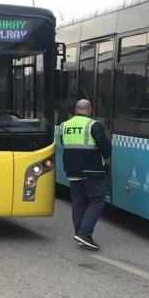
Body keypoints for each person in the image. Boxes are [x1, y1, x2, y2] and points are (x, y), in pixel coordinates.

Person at [59, 99, 112, 250]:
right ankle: (84, 233)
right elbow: (105, 147)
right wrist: (106, 156)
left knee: (78, 203)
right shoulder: (93, 125)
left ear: (76, 109)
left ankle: (80, 234)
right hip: (92, 170)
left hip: (71, 170)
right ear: (89, 109)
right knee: (97, 200)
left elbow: (64, 144)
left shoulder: (64, 125)